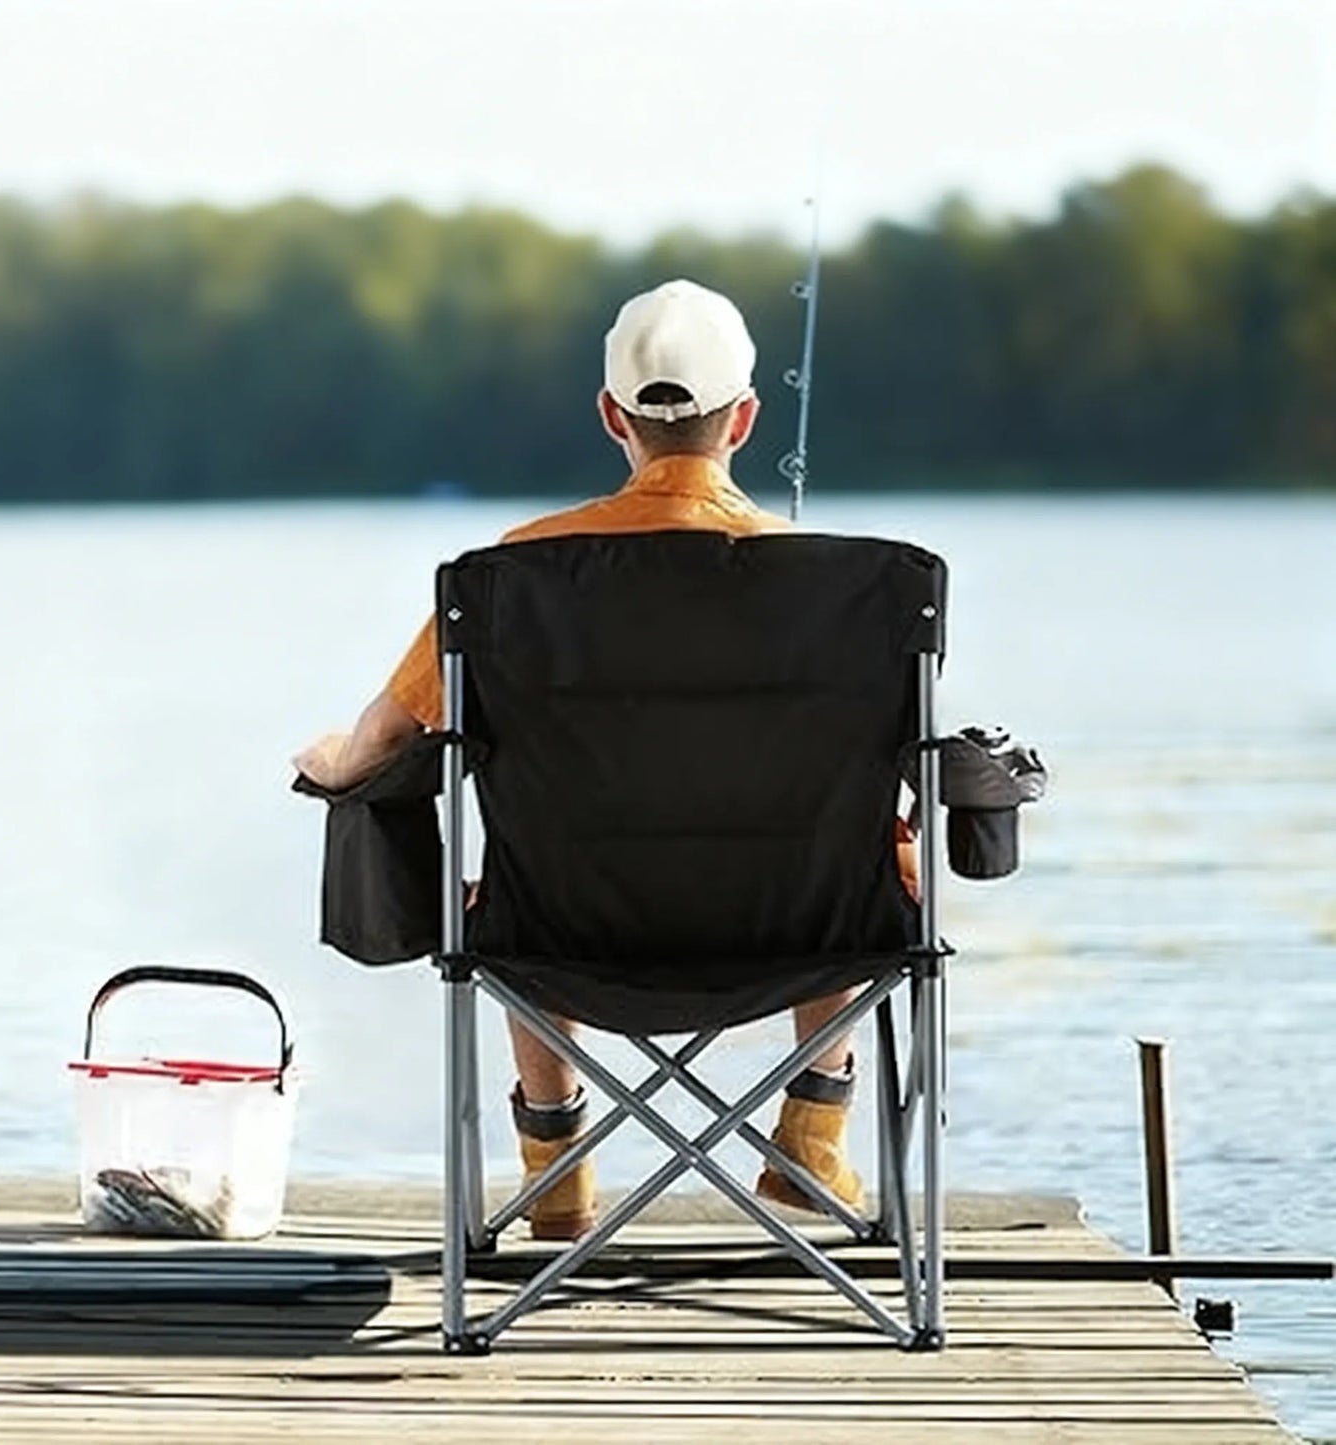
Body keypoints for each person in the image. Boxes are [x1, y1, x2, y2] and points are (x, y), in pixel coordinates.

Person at [294, 279, 917, 1241]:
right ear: (745, 419)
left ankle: (556, 1170)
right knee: (852, 839)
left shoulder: (507, 579)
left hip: (563, 935)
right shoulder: (851, 594)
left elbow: (379, 746)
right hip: (800, 934)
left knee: (520, 875)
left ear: (611, 416)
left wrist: (328, 758)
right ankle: (809, 1133)